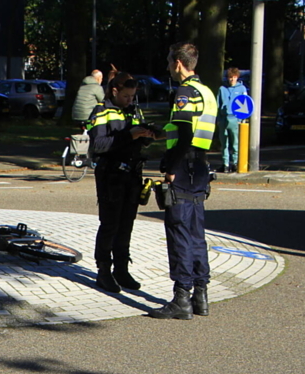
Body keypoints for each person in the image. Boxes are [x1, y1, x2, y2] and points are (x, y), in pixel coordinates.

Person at [150, 41, 218, 320]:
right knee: (196, 234)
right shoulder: (207, 91)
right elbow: (194, 130)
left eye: (169, 61)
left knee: (179, 232)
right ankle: (200, 295)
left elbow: (184, 131)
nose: (168, 67)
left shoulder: (185, 92)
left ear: (178, 63)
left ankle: (181, 299)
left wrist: (170, 166)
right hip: (200, 167)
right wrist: (160, 132)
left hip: (183, 168)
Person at [86, 73, 157, 292]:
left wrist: (148, 135)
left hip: (132, 174)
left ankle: (121, 269)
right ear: (115, 91)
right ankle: (103, 271)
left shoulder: (133, 110)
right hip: (111, 175)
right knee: (110, 224)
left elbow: (139, 139)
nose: (129, 100)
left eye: (132, 96)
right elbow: (98, 145)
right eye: (126, 96)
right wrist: (129, 136)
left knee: (127, 224)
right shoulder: (101, 111)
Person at [217, 67, 248, 173]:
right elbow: (218, 104)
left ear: (237, 77)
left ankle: (235, 163)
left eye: (234, 77)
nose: (232, 79)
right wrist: (218, 119)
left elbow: (245, 105)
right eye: (230, 77)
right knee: (224, 143)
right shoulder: (222, 89)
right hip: (223, 118)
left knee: (235, 143)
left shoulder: (242, 89)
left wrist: (242, 119)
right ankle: (225, 164)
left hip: (235, 119)